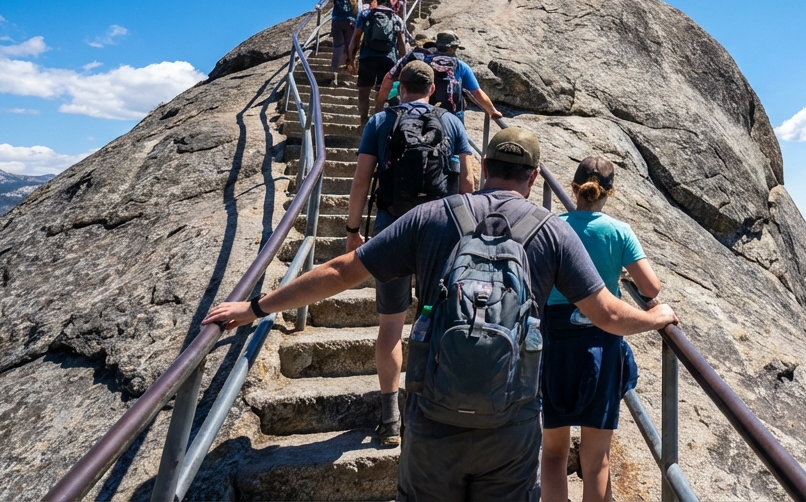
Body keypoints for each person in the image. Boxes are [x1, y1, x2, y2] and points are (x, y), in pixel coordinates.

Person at [204, 127, 678, 501]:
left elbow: (342, 269)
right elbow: (609, 315)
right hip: (510, 421)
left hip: (433, 412)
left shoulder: (432, 216)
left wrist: (255, 307)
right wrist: (657, 318)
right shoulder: (551, 232)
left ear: (484, 166)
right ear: (533, 177)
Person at [344, 60, 475, 446]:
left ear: (401, 87)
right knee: (446, 317)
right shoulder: (452, 122)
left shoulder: (380, 122)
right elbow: (467, 181)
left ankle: (389, 419)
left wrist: (353, 231)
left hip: (392, 226)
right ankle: (442, 406)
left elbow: (361, 180)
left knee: (391, 326)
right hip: (443, 227)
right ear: (433, 89)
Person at [541, 156, 662, 502]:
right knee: (596, 462)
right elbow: (651, 288)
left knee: (552, 453)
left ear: (574, 188)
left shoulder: (553, 226)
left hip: (555, 342)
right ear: (610, 192)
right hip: (600, 343)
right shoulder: (618, 231)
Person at [382, 31, 502, 123]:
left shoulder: (420, 58)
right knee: (454, 148)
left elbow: (389, 78)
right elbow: (476, 92)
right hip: (450, 115)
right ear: (451, 47)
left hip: (418, 111)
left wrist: (379, 104)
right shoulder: (460, 66)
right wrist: (492, 111)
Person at [349, 0, 404, 125]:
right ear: (390, 3)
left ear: (376, 2)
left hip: (367, 57)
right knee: (383, 92)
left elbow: (356, 37)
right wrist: (402, 62)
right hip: (388, 59)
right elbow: (401, 43)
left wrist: (351, 58)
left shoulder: (366, 14)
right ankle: (377, 122)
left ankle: (363, 121)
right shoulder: (396, 18)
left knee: (364, 90)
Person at [326, 0, 360, 86]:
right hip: (350, 22)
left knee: (337, 47)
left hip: (337, 22)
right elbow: (358, 10)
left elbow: (329, 5)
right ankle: (350, 69)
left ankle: (334, 74)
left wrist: (318, 7)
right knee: (350, 47)